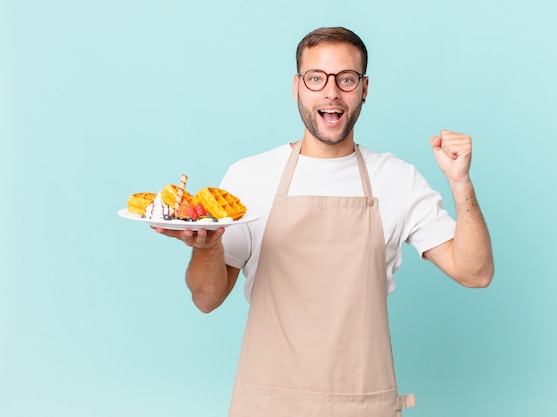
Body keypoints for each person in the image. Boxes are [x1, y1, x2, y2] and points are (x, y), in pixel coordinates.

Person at [154, 26, 494, 417]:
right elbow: (206, 298)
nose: (331, 91)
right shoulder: (250, 178)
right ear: (297, 86)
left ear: (364, 89)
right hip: (268, 404)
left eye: (346, 79)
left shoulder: (396, 179)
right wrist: (208, 247)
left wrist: (460, 182)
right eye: (316, 78)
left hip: (362, 404)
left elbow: (476, 273)